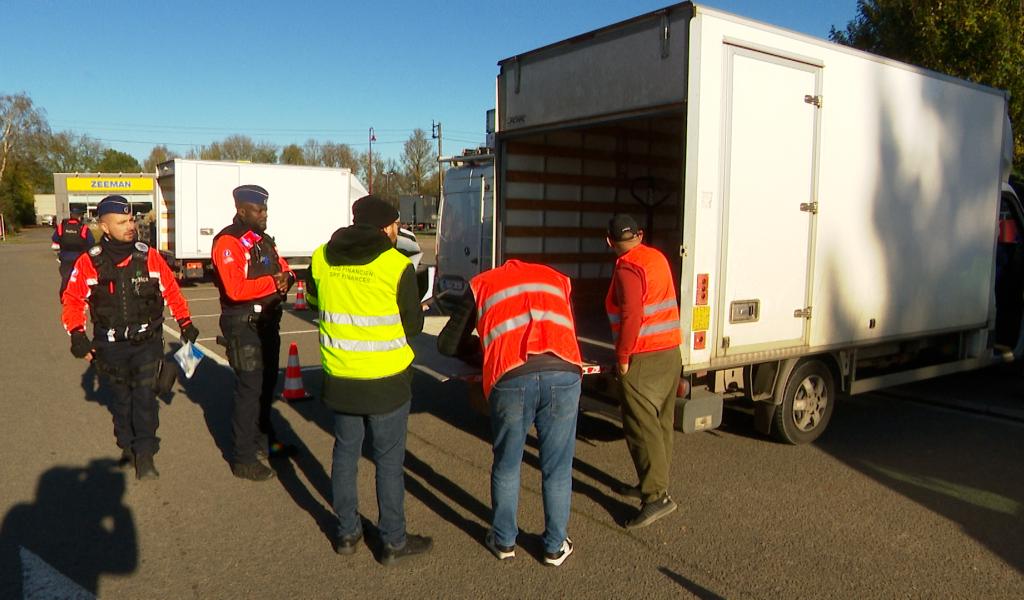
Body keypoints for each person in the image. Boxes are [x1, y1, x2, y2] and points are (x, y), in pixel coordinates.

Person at [304, 195, 431, 565]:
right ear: (384, 227)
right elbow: (412, 326)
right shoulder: (396, 265)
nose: (397, 231)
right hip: (387, 381)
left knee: (345, 453)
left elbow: (314, 302)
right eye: (394, 225)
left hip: (341, 376)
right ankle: (392, 540)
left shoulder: (321, 256)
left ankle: (346, 532)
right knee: (388, 462)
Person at [438, 259, 583, 567]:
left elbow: (447, 344)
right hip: (564, 371)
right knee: (557, 466)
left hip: (511, 375)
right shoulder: (557, 279)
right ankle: (555, 547)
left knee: (507, 462)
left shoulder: (481, 285)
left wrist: (480, 350)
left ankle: (504, 540)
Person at [61, 195, 198, 481]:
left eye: (131, 219)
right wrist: (77, 334)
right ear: (104, 226)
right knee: (122, 401)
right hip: (110, 346)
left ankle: (146, 452)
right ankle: (127, 445)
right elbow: (73, 299)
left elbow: (171, 289)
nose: (130, 226)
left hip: (147, 342)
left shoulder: (148, 255)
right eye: (122, 222)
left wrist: (185, 323)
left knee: (145, 397)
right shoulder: (90, 262)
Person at [211, 184, 297, 482]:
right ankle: (243, 457)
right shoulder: (228, 242)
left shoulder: (262, 240)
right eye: (259, 210)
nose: (264, 214)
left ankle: (266, 441)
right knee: (250, 389)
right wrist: (275, 284)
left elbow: (283, 268)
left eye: (265, 209)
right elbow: (235, 290)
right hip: (243, 324)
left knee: (266, 386)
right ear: (241, 210)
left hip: (268, 322)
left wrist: (288, 278)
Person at [605, 214, 683, 529]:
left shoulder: (627, 268)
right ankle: (653, 483)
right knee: (662, 422)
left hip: (644, 356)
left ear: (609, 240)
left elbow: (632, 314)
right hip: (669, 352)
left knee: (640, 426)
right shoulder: (655, 258)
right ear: (640, 234)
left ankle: (656, 497)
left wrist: (622, 356)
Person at [53, 206, 96, 297]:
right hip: (79, 257)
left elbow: (55, 238)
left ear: (71, 215)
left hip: (65, 256)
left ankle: (65, 296)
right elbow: (91, 242)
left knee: (66, 278)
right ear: (80, 216)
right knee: (79, 278)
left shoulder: (62, 226)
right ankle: (79, 295)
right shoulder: (83, 228)